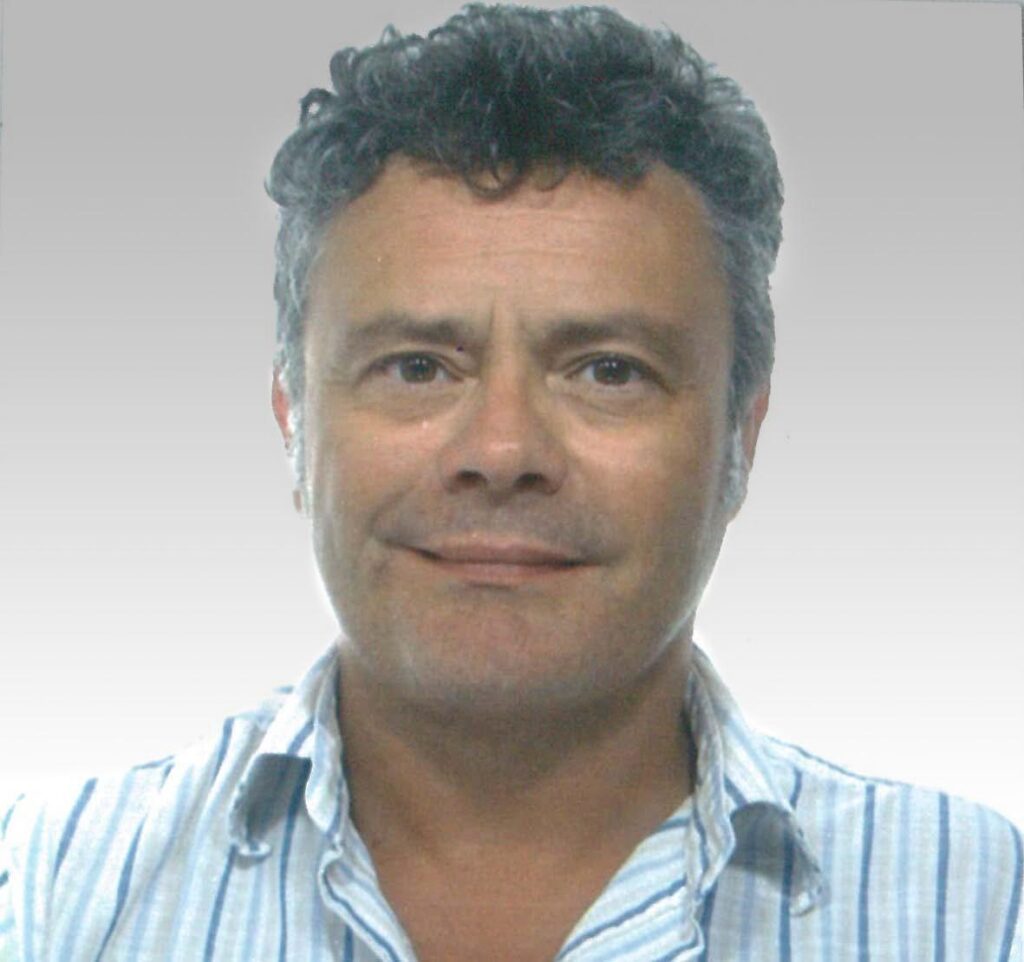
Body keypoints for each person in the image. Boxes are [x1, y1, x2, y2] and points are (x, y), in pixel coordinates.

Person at [1, 4, 1020, 960]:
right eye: (416, 366)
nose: (501, 448)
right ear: (292, 420)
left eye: (608, 370)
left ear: (739, 440)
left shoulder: (977, 909)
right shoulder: (47, 888)